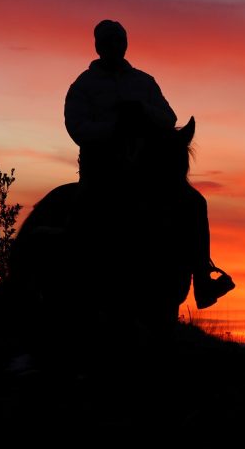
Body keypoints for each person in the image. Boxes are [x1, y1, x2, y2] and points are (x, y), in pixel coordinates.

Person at [64, 20, 234, 310]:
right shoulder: (83, 85)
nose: (115, 47)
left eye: (119, 41)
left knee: (194, 203)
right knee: (84, 212)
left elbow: (168, 117)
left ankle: (202, 278)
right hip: (103, 168)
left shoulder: (143, 82)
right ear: (99, 46)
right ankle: (73, 280)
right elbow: (77, 127)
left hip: (148, 168)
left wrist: (142, 110)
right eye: (109, 42)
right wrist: (114, 126)